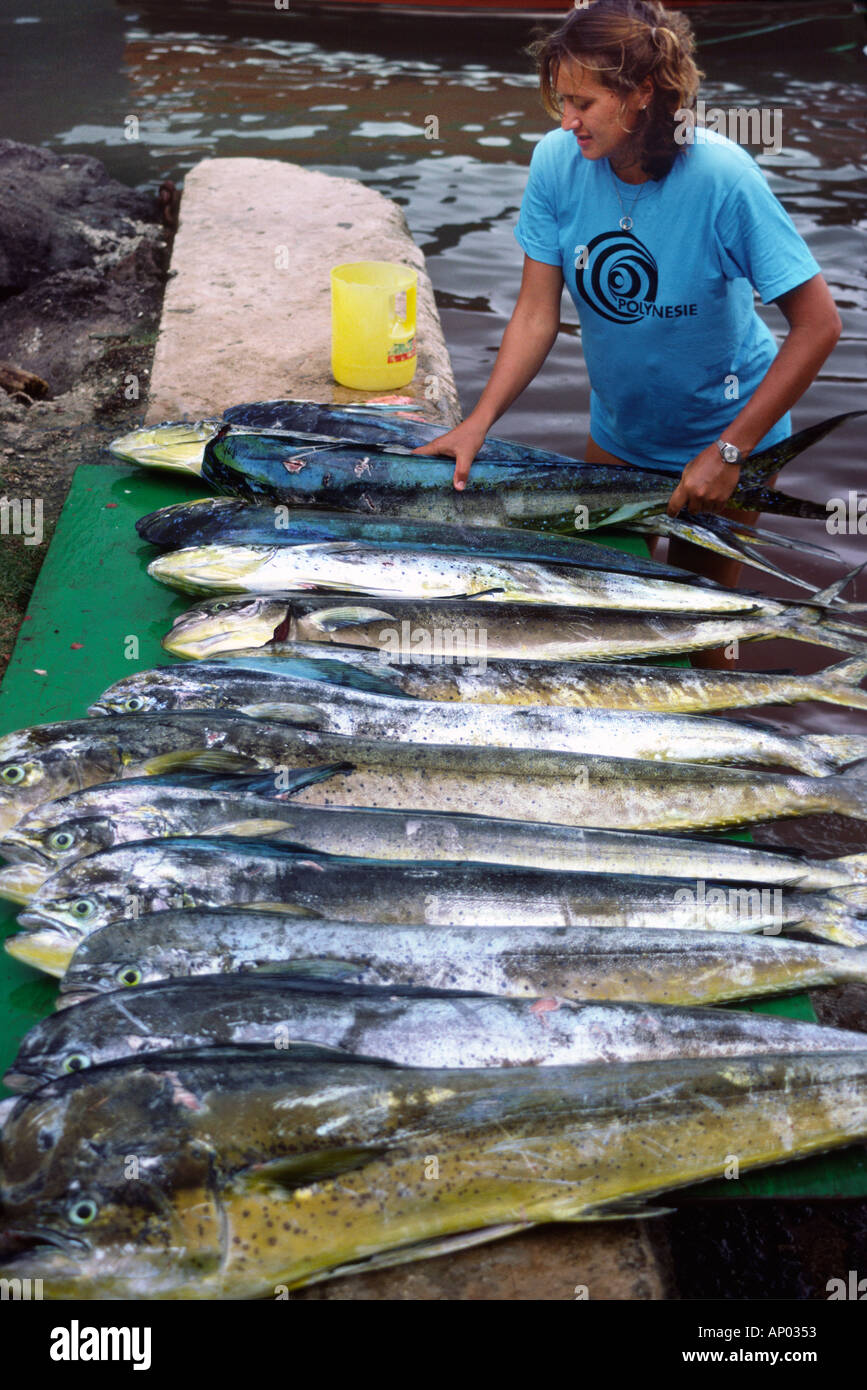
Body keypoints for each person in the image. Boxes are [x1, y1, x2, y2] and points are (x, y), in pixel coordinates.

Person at [413, 0, 841, 661]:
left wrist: (729, 453)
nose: (566, 121)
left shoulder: (722, 179)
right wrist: (478, 422)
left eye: (582, 102)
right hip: (619, 436)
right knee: (605, 629)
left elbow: (817, 325)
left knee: (704, 635)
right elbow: (533, 312)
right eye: (559, 101)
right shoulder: (557, 162)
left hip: (728, 441)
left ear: (641, 93)